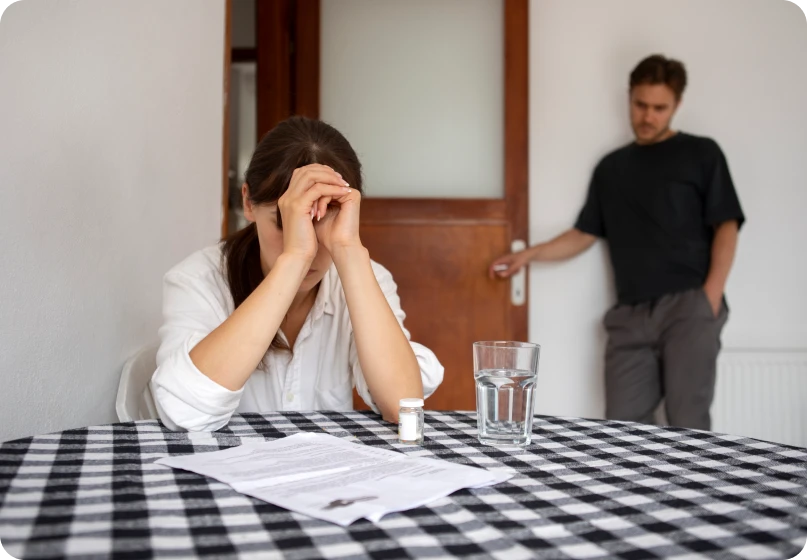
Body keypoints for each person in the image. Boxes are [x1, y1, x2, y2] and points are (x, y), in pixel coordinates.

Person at [489, 55, 744, 430]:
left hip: (689, 308)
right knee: (623, 429)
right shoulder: (611, 168)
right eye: (641, 105)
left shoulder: (702, 154)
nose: (648, 116)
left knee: (689, 425)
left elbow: (727, 225)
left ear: (677, 105)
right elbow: (584, 234)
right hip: (629, 317)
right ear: (629, 97)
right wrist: (528, 255)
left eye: (660, 108)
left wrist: (710, 297)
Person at [151, 116, 444, 432]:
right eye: (285, 223)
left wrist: (347, 249)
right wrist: (293, 259)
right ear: (248, 202)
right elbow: (182, 411)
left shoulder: (363, 277)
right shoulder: (199, 280)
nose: (309, 247)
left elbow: (403, 407)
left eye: (324, 221)